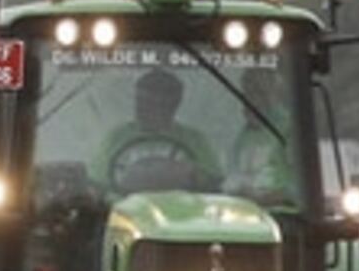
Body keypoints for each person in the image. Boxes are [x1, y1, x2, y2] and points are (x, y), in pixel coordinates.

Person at [91, 68, 220, 192]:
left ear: (174, 105)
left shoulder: (194, 141)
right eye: (143, 100)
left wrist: (192, 175)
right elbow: (96, 183)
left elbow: (214, 183)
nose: (147, 108)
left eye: (159, 102)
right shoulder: (117, 138)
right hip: (123, 210)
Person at [228, 68, 294, 199]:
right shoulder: (243, 136)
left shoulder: (290, 129)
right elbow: (233, 177)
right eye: (248, 92)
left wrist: (277, 195)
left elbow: (303, 185)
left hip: (282, 213)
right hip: (246, 211)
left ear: (274, 93)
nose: (252, 99)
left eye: (259, 92)